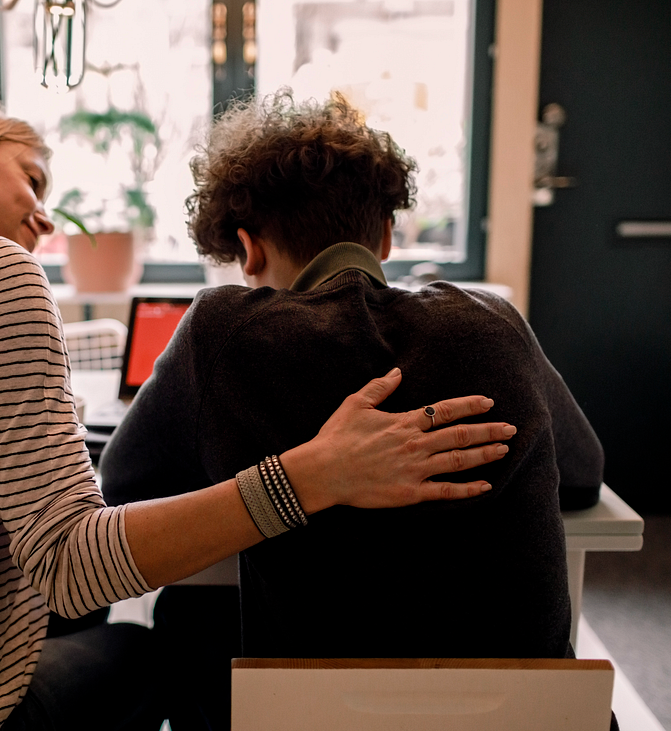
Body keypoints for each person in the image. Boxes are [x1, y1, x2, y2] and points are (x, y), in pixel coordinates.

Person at [0, 87, 515, 731]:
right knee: (161, 644)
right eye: (32, 180)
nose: (43, 218)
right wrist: (310, 474)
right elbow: (74, 568)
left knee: (93, 627)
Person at [99, 89, 605, 730]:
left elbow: (121, 488)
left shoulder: (223, 329)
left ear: (249, 251)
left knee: (185, 615)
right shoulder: (490, 319)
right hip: (527, 722)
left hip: (307, 719)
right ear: (387, 236)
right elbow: (584, 474)